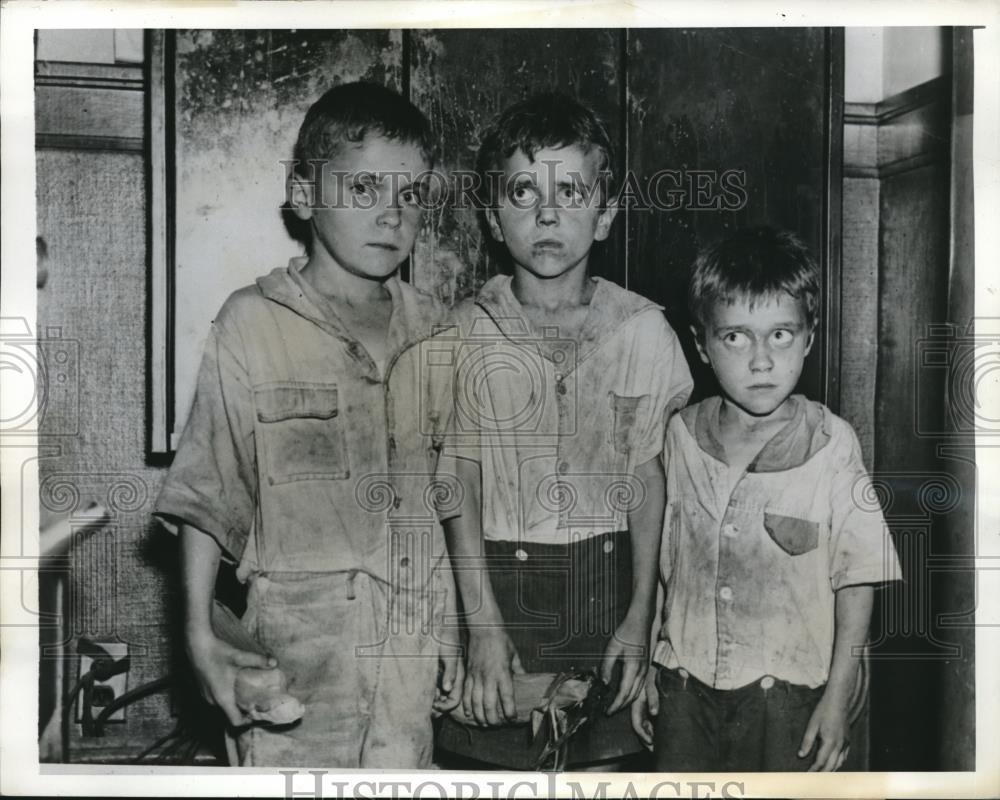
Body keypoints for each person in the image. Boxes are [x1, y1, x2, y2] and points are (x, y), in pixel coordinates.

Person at [153, 82, 462, 768]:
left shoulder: (439, 333)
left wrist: (459, 632)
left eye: (410, 195)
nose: (391, 215)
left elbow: (451, 500)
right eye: (364, 190)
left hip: (410, 662)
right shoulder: (250, 324)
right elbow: (208, 494)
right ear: (302, 193)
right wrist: (200, 634)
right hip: (290, 667)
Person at [435, 92, 693, 769]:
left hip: (611, 599)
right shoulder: (464, 332)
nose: (547, 214)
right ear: (493, 217)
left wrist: (642, 616)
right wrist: (481, 625)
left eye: (571, 191)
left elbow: (649, 480)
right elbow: (454, 481)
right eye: (523, 191)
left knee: (608, 766)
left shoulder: (642, 332)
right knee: (490, 765)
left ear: (604, 215)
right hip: (497, 597)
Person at [634, 226, 902, 771]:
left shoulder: (832, 443)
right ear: (701, 344)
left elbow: (859, 578)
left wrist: (838, 697)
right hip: (685, 691)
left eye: (780, 335)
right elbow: (668, 568)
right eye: (735, 337)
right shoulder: (680, 437)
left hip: (790, 699)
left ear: (808, 336)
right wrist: (647, 668)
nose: (760, 361)